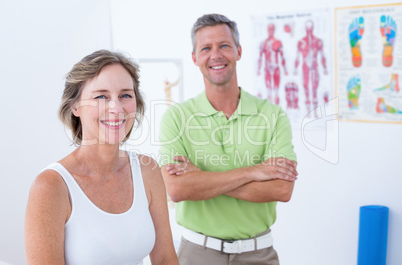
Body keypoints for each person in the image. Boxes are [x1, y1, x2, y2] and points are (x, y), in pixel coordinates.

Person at [159, 14, 298, 265]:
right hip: (196, 254)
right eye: (206, 48)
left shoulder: (272, 116)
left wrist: (202, 177)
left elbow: (282, 189)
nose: (216, 55)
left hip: (259, 254)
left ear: (239, 51)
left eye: (224, 45)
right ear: (194, 58)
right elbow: (178, 189)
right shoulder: (177, 118)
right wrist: (254, 172)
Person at [24, 50, 178, 265]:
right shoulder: (51, 186)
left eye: (125, 95)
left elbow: (164, 259)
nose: (116, 108)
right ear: (75, 106)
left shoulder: (147, 170)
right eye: (101, 96)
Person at [294, 19, 328, 115]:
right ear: (305, 28)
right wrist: (295, 68)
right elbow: (297, 56)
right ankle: (308, 112)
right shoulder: (301, 42)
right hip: (305, 66)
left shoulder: (318, 41)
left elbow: (322, 55)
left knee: (314, 89)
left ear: (313, 28)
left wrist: (324, 67)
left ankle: (315, 111)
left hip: (314, 65)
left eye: (310, 28)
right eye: (307, 28)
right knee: (306, 88)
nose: (309, 30)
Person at [257, 23, 288, 105]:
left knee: (276, 91)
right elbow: (260, 58)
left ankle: (277, 109)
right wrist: (258, 69)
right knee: (269, 91)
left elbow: (282, 56)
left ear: (274, 30)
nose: (271, 31)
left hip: (276, 68)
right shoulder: (263, 43)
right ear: (267, 30)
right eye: (269, 29)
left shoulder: (278, 42)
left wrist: (285, 69)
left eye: (272, 29)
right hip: (267, 68)